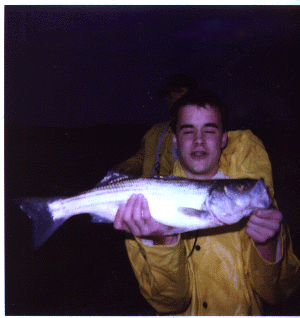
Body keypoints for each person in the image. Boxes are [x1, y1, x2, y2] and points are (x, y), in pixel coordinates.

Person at [113, 90, 300, 315]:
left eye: (209, 130)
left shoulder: (254, 205)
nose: (198, 140)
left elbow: (279, 294)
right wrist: (162, 242)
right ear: (174, 140)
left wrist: (268, 245)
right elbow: (168, 304)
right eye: (188, 130)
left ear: (223, 138)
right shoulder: (142, 211)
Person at [112, 73, 275, 200]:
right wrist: (118, 171)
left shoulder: (232, 143)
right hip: (151, 201)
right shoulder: (155, 132)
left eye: (178, 92)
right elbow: (141, 157)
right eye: (168, 94)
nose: (172, 97)